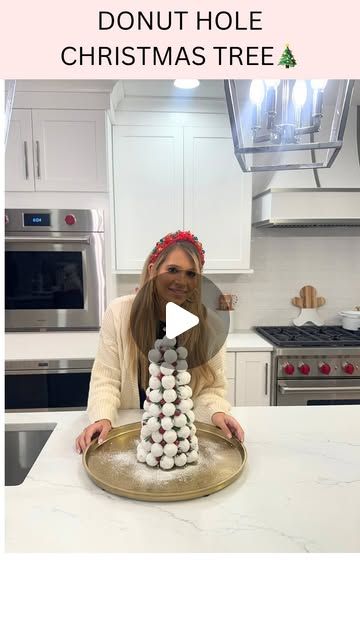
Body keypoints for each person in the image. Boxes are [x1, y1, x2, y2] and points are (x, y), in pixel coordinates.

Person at [75, 230, 245, 453]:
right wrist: (102, 418)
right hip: (126, 433)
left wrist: (217, 413)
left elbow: (211, 388)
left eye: (191, 274)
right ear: (152, 270)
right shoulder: (119, 313)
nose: (181, 281)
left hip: (180, 439)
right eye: (172, 270)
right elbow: (106, 379)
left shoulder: (210, 326)